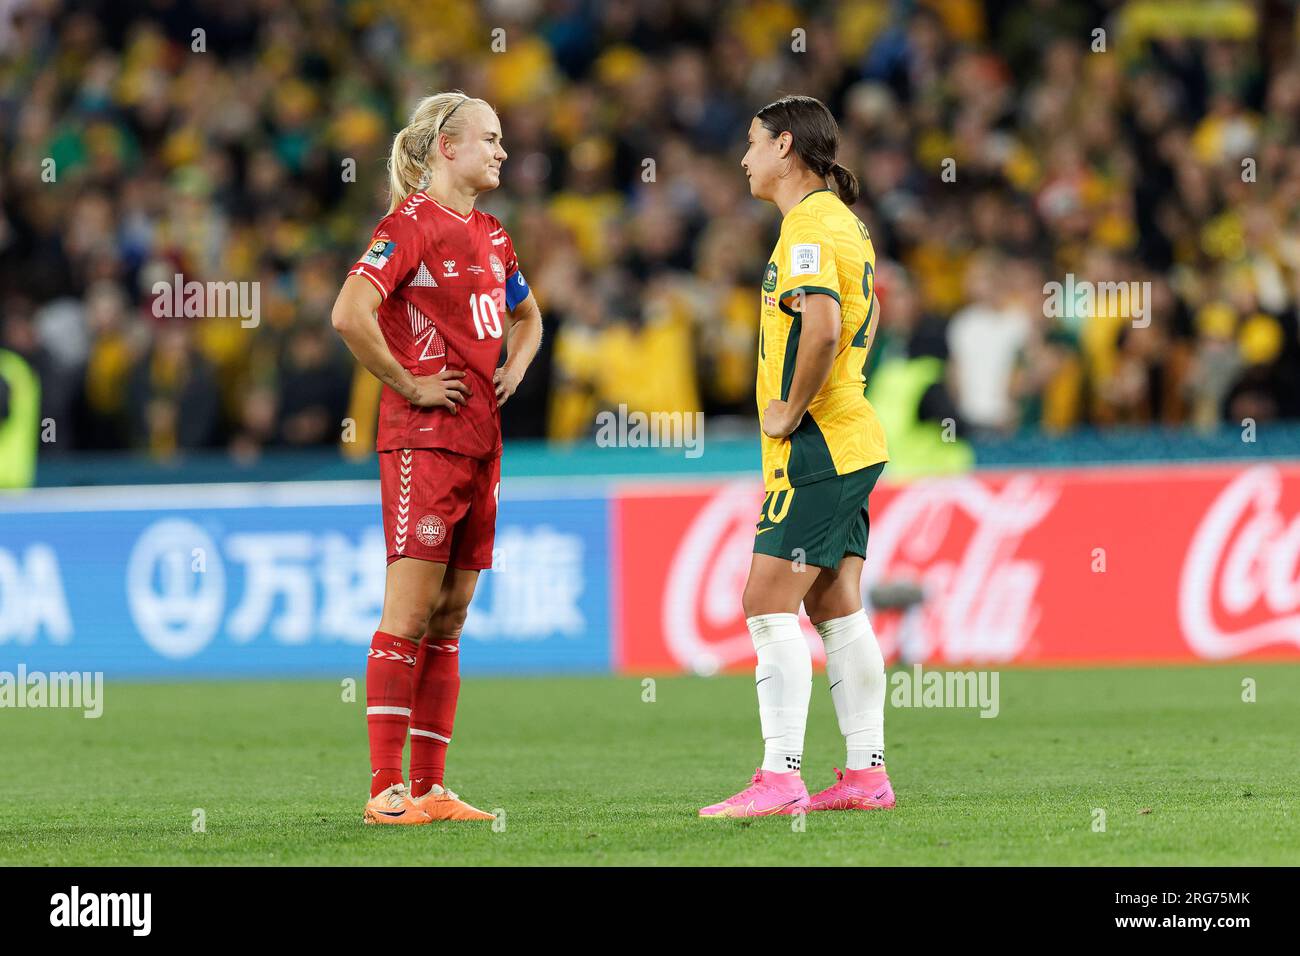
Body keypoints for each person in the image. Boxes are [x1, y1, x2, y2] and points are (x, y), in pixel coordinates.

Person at [331, 91, 543, 825]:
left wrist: (516, 363)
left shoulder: (492, 234)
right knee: (410, 611)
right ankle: (386, 789)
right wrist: (409, 382)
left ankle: (430, 788)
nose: (502, 151)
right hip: (424, 442)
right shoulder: (410, 225)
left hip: (482, 440)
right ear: (446, 148)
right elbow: (348, 313)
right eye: (491, 138)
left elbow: (529, 314)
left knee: (449, 618)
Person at [699, 95, 894, 817]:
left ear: (785, 146)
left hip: (818, 445)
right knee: (836, 603)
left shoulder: (808, 227)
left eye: (752, 143)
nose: (745, 158)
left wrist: (789, 407)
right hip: (853, 438)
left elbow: (819, 327)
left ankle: (780, 778)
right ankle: (865, 772)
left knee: (764, 601)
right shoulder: (846, 224)